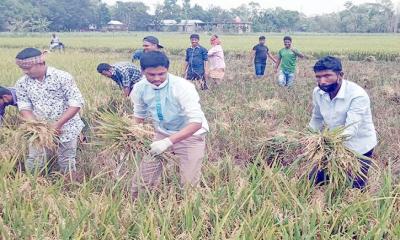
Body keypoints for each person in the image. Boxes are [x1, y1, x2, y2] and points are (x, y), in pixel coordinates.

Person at [131, 51, 209, 199]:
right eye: (151, 75)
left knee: (189, 186)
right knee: (142, 181)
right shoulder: (140, 88)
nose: (157, 79)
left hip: (190, 135)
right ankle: (135, 209)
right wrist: (134, 136)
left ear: (168, 69)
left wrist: (168, 142)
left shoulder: (182, 87)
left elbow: (196, 122)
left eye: (161, 74)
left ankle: (189, 214)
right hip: (162, 132)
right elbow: (139, 114)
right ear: (142, 72)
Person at [308, 56, 377, 189]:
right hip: (333, 145)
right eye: (318, 77)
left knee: (354, 186)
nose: (322, 81)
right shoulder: (318, 92)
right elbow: (316, 118)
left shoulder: (357, 95)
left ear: (340, 75)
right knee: (315, 179)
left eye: (327, 76)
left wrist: (327, 142)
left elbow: (350, 130)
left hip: (359, 146)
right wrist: (308, 138)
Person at [14, 48, 85, 176]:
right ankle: (31, 186)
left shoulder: (62, 77)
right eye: (23, 69)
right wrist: (36, 126)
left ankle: (70, 187)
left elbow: (76, 103)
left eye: (28, 68)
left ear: (41, 63)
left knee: (66, 160)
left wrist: (58, 125)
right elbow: (24, 106)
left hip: (67, 126)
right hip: (40, 129)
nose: (25, 71)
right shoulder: (22, 83)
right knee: (35, 159)